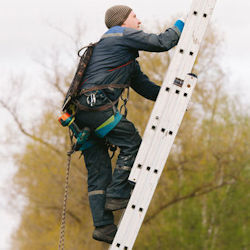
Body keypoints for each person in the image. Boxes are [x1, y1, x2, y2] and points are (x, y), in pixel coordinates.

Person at [74, 5, 184, 244]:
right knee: (131, 140)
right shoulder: (119, 35)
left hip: (82, 114)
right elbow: (162, 42)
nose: (139, 21)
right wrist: (181, 26)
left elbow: (144, 86)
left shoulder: (119, 55)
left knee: (99, 170)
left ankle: (103, 226)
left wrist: (172, 96)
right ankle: (117, 194)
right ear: (122, 21)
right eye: (134, 16)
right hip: (96, 105)